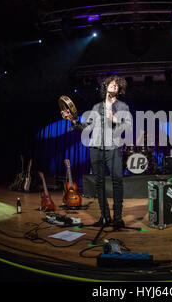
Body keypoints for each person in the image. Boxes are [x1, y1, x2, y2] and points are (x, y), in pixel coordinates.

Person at [61, 75, 132, 230]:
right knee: (99, 183)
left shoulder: (122, 106)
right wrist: (72, 121)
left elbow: (128, 125)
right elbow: (86, 128)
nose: (114, 85)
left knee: (117, 181)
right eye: (111, 83)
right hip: (95, 148)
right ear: (105, 87)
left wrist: (114, 119)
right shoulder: (96, 108)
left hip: (113, 147)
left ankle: (117, 219)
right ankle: (105, 217)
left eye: (116, 85)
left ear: (119, 90)